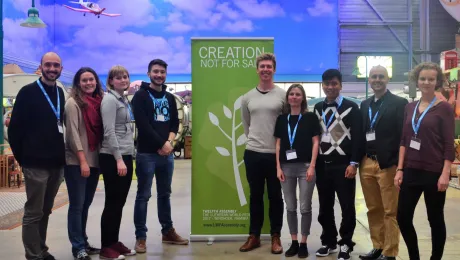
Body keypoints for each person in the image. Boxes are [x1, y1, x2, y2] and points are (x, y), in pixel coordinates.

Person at [8, 52, 66, 260]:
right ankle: (33, 255)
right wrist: (25, 160)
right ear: (40, 67)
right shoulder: (27, 92)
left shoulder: (60, 93)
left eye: (56, 65)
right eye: (48, 65)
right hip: (35, 165)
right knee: (33, 212)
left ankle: (41, 248)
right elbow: (14, 130)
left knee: (46, 210)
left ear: (61, 68)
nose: (52, 69)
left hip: (57, 165)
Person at [395, 62, 454, 260]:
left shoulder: (444, 108)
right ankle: (414, 257)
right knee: (402, 217)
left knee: (435, 219)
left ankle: (435, 258)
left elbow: (448, 143)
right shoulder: (409, 107)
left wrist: (446, 172)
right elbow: (404, 140)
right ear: (416, 81)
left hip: (433, 172)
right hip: (411, 169)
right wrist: (400, 169)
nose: (426, 82)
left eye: (431, 79)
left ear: (437, 82)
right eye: (422, 79)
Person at [132, 59, 188, 253]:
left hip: (167, 155)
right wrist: (162, 144)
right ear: (149, 73)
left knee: (165, 194)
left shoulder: (170, 98)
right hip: (146, 154)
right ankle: (141, 237)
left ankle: (167, 231)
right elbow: (143, 125)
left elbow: (174, 123)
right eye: (155, 71)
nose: (159, 75)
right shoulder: (140, 96)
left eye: (162, 72)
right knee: (143, 195)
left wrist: (170, 143)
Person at [358, 66, 408, 260]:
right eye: (373, 77)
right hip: (367, 163)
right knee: (373, 209)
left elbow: (402, 136)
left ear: (387, 79)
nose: (377, 80)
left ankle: (390, 252)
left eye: (381, 76)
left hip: (388, 164)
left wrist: (398, 165)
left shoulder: (398, 103)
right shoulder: (365, 105)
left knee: (390, 210)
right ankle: (377, 246)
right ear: (369, 80)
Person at [313, 69, 363, 260]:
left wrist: (354, 163)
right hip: (322, 166)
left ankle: (346, 244)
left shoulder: (351, 107)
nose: (330, 87)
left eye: (334, 83)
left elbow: (358, 137)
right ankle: (329, 241)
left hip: (344, 165)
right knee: (325, 207)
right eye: (326, 83)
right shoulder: (318, 108)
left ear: (340, 85)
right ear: (322, 85)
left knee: (347, 206)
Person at [239, 53, 285, 254]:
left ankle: (276, 236)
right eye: (262, 66)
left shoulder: (283, 95)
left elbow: (286, 126)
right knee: (255, 196)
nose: (266, 69)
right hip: (253, 153)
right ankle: (254, 236)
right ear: (257, 70)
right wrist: (256, 142)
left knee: (276, 197)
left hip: (275, 155)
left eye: (269, 66)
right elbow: (246, 125)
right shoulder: (247, 97)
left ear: (274, 69)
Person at [274, 84, 320, 258]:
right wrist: (278, 167)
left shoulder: (309, 118)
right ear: (287, 98)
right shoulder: (281, 119)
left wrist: (313, 166)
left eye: (297, 94)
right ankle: (293, 242)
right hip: (286, 168)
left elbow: (316, 142)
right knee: (291, 206)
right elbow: (278, 144)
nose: (294, 97)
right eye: (291, 94)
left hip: (306, 167)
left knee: (305, 207)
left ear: (303, 98)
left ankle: (303, 243)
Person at [64, 67, 104, 260]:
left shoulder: (98, 103)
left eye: (91, 79)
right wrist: (82, 161)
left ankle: (83, 242)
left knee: (85, 205)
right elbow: (72, 134)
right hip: (77, 163)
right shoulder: (73, 103)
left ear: (96, 81)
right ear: (78, 83)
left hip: (94, 161)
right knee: (77, 206)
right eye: (84, 80)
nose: (88, 83)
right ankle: (77, 247)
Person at [98, 65, 136, 259]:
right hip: (113, 157)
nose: (124, 80)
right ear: (111, 81)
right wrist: (119, 160)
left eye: (126, 77)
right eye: (119, 77)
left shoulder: (124, 99)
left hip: (126, 155)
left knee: (119, 202)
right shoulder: (110, 100)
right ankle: (106, 246)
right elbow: (109, 132)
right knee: (112, 202)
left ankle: (114, 241)